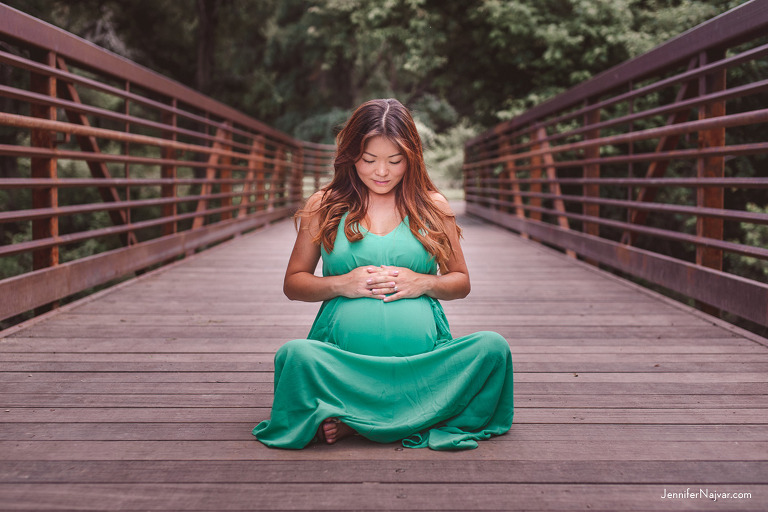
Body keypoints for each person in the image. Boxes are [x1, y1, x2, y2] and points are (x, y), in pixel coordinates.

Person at [252, 98, 514, 451]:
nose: (381, 172)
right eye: (368, 159)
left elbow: (460, 282)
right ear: (350, 154)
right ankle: (415, 416)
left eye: (395, 161)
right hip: (346, 367)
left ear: (411, 158)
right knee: (294, 356)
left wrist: (424, 282)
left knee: (493, 350)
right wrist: (342, 284)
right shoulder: (325, 204)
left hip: (423, 368)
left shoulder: (432, 205)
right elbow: (294, 283)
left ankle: (355, 423)